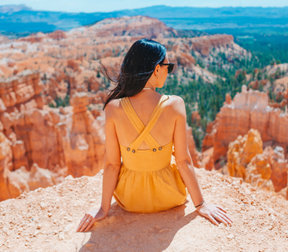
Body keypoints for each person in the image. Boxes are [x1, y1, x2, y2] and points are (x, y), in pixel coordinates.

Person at [77, 39, 233, 232]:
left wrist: (103, 208)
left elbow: (112, 164)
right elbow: (184, 161)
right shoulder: (175, 104)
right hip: (169, 196)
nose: (169, 71)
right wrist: (201, 205)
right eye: (168, 66)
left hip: (130, 200)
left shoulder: (113, 108)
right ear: (157, 69)